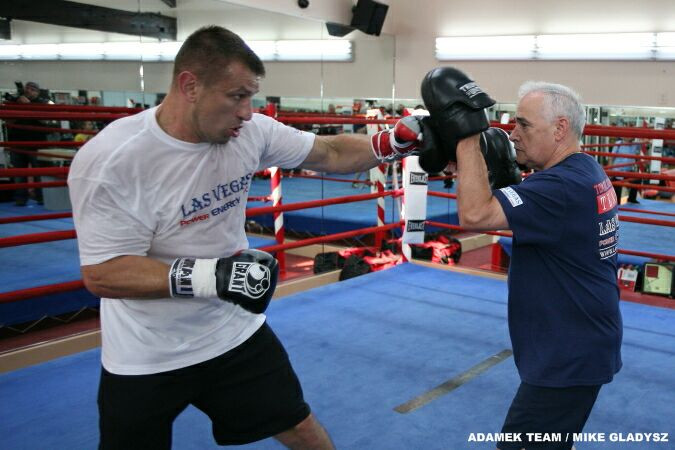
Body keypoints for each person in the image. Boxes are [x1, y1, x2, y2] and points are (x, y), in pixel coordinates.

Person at [68, 25, 422, 450]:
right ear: (190, 85)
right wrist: (216, 276)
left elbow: (329, 153)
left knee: (300, 427)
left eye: (251, 97)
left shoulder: (251, 133)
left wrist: (396, 141)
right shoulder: (113, 161)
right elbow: (104, 274)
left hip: (231, 331)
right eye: (237, 96)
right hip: (146, 353)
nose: (248, 112)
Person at [442, 77, 622, 450]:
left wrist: (467, 140)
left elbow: (474, 215)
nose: (512, 132)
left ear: (560, 129)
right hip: (580, 342)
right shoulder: (585, 169)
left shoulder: (560, 188)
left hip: (566, 357)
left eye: (523, 124)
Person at [5, 81, 51, 206]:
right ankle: (20, 199)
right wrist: (18, 106)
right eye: (27, 89)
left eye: (31, 89)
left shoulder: (43, 103)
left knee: (39, 172)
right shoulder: (16, 102)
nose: (28, 91)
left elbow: (47, 121)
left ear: (37, 91)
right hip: (17, 142)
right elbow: (8, 121)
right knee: (19, 173)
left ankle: (41, 198)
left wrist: (29, 106)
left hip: (37, 143)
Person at [610, 135, 642, 203]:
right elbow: (611, 157)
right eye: (630, 135)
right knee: (617, 194)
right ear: (624, 137)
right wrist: (609, 169)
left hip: (628, 170)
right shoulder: (618, 144)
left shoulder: (635, 144)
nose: (632, 137)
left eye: (632, 135)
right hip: (618, 170)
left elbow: (645, 141)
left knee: (637, 179)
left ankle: (631, 199)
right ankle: (616, 204)